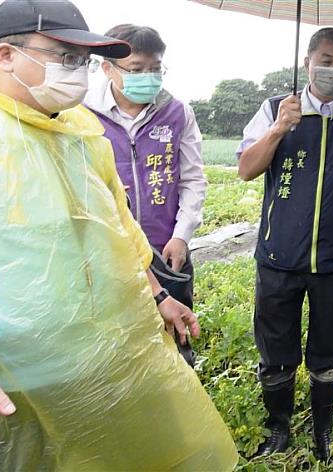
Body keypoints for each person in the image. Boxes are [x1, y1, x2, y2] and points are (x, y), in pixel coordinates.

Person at [0, 1, 238, 469]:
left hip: (96, 348)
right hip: (5, 370)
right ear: (5, 55)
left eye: (82, 60)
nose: (77, 71)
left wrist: (159, 295)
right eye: (64, 56)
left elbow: (119, 230)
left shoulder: (82, 131)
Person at [236, 27, 333, 461]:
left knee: (328, 352)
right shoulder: (273, 110)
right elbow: (247, 168)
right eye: (326, 60)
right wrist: (280, 129)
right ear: (307, 63)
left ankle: (324, 431)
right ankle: (278, 428)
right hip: (279, 257)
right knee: (276, 350)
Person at [85, 24, 206, 365]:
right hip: (108, 250)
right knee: (117, 347)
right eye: (137, 70)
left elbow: (193, 179)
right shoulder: (81, 113)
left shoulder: (177, 112)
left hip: (166, 250)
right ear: (107, 67)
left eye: (155, 69)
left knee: (175, 339)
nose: (148, 78)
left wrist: (182, 236)